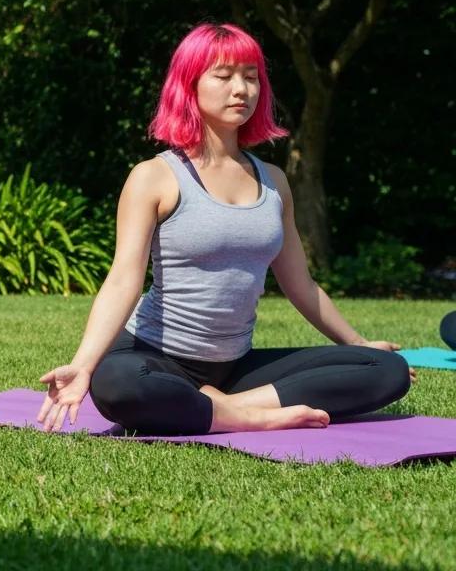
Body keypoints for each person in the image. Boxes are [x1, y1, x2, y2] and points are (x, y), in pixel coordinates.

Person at [36, 23, 412, 435]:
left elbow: (300, 285)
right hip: (155, 357)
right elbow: (124, 278)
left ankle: (223, 407)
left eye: (251, 77)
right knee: (119, 385)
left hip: (233, 367)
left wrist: (357, 346)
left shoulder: (273, 182)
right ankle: (250, 415)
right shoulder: (155, 177)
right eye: (224, 75)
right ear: (189, 85)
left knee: (388, 369)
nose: (242, 89)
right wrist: (84, 365)